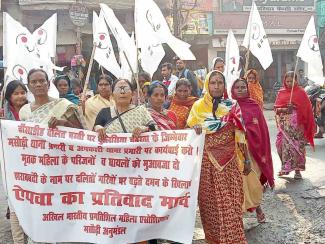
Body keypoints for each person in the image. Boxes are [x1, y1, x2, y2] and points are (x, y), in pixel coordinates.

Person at [187, 70, 249, 243]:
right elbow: (189, 132)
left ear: (224, 85)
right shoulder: (198, 107)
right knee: (210, 208)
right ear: (207, 85)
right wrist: (194, 129)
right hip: (206, 166)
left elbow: (241, 133)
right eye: (213, 82)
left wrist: (247, 158)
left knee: (232, 205)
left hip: (230, 164)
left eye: (220, 83)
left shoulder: (233, 105)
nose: (216, 86)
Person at [231, 78, 274, 223]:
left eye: (243, 86)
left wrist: (248, 131)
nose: (241, 89)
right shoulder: (229, 106)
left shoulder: (254, 106)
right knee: (240, 181)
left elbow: (261, 129)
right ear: (232, 90)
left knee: (253, 180)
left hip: (254, 150)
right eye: (237, 87)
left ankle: (258, 207)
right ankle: (239, 213)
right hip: (237, 150)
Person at [274, 71, 315, 179]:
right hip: (284, 126)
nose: (289, 83)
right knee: (280, 146)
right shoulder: (281, 92)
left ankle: (297, 171)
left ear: (296, 80)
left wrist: (295, 106)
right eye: (287, 81)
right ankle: (285, 168)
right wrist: (285, 108)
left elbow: (307, 108)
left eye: (291, 81)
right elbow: (276, 109)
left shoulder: (301, 92)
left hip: (298, 127)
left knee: (297, 147)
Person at [2, 80, 28, 244]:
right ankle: (18, 240)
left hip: (32, 164)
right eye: (16, 93)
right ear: (8, 96)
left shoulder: (34, 111)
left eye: (22, 92)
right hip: (10, 164)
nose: (20, 96)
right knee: (14, 203)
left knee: (30, 201)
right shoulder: (2, 114)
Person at [19, 69, 85, 129]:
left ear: (48, 84)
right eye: (33, 82)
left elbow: (81, 132)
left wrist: (64, 123)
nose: (38, 84)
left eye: (42, 81)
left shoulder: (63, 105)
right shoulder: (24, 111)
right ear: (28, 87)